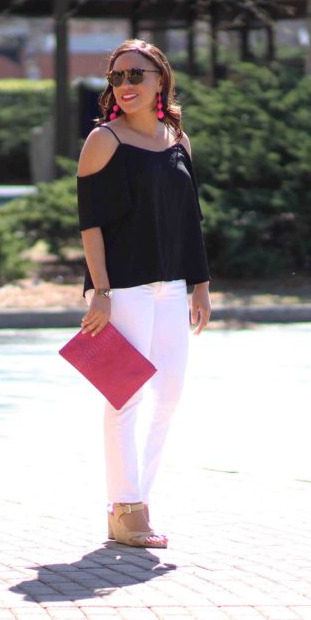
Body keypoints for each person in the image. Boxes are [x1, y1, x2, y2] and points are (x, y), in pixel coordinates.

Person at [76, 39, 211, 549]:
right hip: (126, 289)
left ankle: (136, 502)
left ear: (161, 80)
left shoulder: (178, 139)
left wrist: (200, 285)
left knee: (169, 395)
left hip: (173, 287)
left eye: (136, 75)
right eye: (117, 77)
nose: (126, 85)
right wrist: (100, 291)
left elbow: (189, 220)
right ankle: (125, 507)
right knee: (124, 396)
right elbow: (91, 225)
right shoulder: (102, 141)